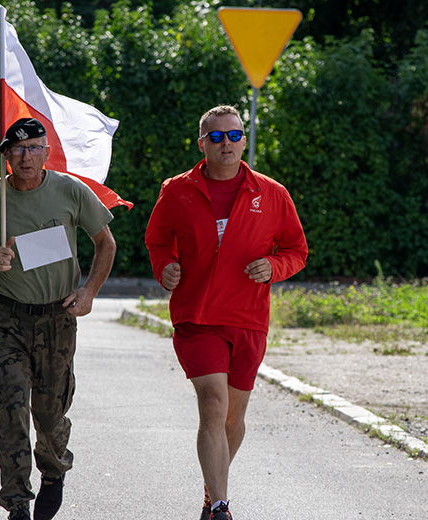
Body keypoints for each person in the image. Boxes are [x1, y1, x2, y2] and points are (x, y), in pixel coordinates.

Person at [144, 105, 307, 520]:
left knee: (234, 416)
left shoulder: (271, 192)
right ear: (202, 144)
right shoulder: (177, 190)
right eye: (216, 137)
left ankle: (210, 490)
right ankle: (220, 506)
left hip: (248, 318)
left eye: (233, 136)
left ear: (244, 140)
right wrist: (165, 267)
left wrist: (274, 267)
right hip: (196, 317)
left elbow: (296, 250)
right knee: (213, 403)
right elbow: (158, 240)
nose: (226, 144)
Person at [0, 118, 117, 520]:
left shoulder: (69, 191)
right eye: (17, 149)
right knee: (12, 408)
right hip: (7, 317)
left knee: (49, 412)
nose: (25, 157)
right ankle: (16, 503)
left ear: (47, 153)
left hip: (57, 319)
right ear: (6, 155)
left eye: (34, 148)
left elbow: (105, 243)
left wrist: (89, 292)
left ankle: (54, 470)